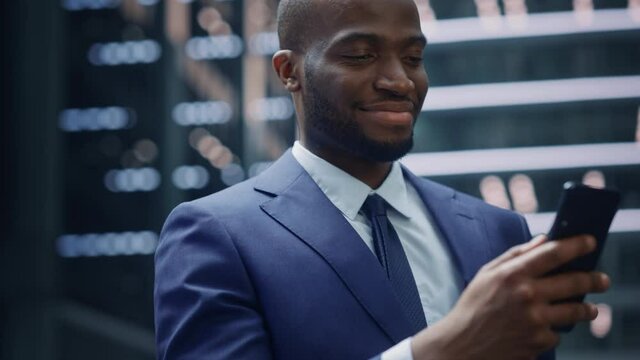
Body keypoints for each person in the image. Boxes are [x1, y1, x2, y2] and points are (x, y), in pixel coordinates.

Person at [154, 0, 610, 359]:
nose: (399, 80)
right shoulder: (216, 235)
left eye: (413, 57)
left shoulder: (498, 230)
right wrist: (440, 351)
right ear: (289, 72)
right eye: (360, 55)